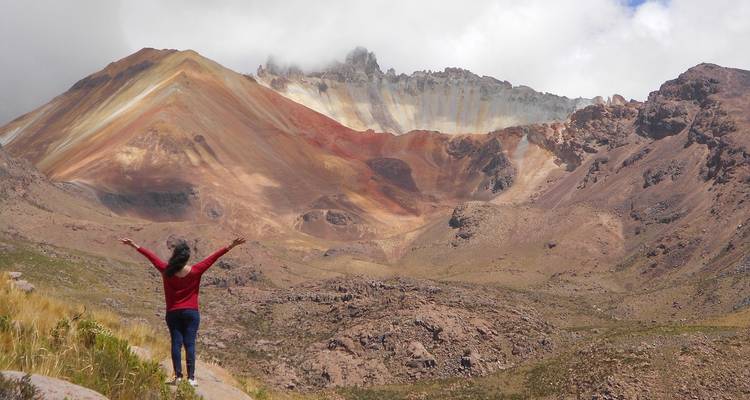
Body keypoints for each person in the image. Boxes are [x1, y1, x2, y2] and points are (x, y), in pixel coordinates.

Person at [119, 236, 246, 387]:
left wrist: (135, 245)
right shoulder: (196, 271)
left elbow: (151, 257)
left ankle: (178, 376)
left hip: (173, 313)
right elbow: (213, 258)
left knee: (176, 343)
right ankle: (191, 378)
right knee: (190, 344)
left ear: (174, 256)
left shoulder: (166, 270)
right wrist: (230, 245)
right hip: (191, 313)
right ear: (186, 258)